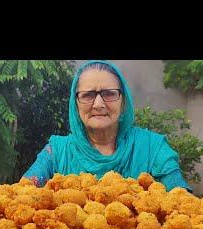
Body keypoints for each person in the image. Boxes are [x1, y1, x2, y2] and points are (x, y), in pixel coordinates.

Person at [22, 60, 192, 191]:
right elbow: (21, 196)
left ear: (123, 102)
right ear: (76, 104)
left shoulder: (152, 148)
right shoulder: (57, 152)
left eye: (109, 94)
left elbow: (181, 200)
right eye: (88, 95)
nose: (98, 104)